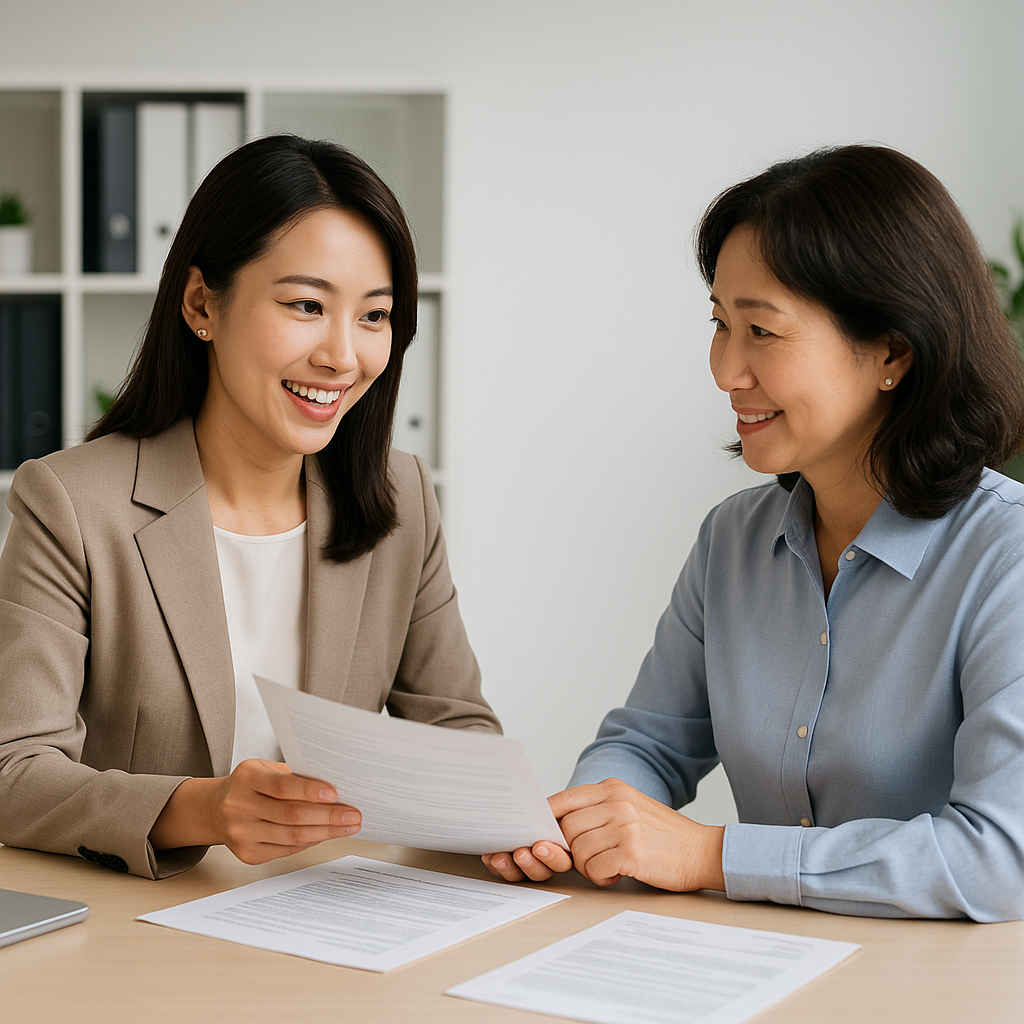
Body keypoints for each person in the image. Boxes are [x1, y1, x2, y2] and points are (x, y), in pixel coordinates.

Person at [484, 145, 1024, 921]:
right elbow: (649, 744)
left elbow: (999, 859)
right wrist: (585, 827)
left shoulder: (1006, 558)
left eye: (762, 332)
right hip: (759, 967)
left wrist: (709, 854)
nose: (725, 370)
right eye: (719, 324)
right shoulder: (732, 542)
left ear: (892, 354)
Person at [0, 134, 499, 879]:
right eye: (306, 304)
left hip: (333, 923)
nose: (342, 355)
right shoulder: (71, 502)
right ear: (202, 304)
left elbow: (459, 732)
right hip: (141, 930)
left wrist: (502, 810)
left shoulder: (400, 499)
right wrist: (203, 809)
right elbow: (13, 772)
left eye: (374, 315)